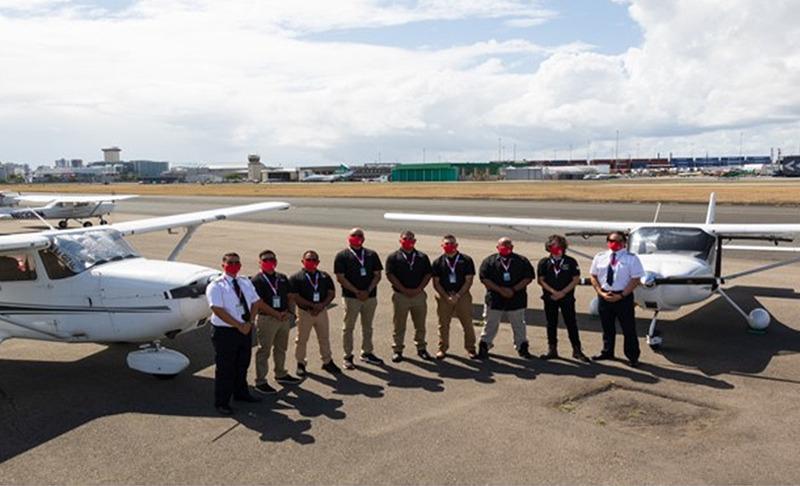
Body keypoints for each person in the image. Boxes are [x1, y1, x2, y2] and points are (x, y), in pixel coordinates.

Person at [206, 252, 262, 415]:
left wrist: (250, 323)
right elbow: (217, 309)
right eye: (230, 263)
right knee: (225, 368)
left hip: (245, 328)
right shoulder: (216, 285)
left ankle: (241, 393)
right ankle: (222, 402)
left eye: (237, 263)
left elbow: (256, 302)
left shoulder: (245, 282)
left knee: (242, 363)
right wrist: (238, 325)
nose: (234, 265)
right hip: (225, 332)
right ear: (223, 265)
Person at [589, 231, 644, 367]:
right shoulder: (600, 257)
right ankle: (607, 351)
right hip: (604, 296)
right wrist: (600, 292)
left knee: (628, 329)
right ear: (607, 242)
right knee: (607, 328)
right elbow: (593, 276)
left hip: (623, 297)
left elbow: (635, 279)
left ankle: (632, 357)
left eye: (619, 241)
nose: (615, 244)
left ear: (625, 243)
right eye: (611, 241)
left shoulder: (632, 258)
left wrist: (622, 295)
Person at [250, 250, 302, 394]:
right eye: (265, 260)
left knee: (281, 348)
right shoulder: (257, 280)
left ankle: (281, 373)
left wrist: (290, 312)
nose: (269, 262)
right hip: (267, 319)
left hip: (283, 318)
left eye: (272, 259)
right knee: (264, 350)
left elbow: (290, 295)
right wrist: (276, 314)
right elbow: (258, 303)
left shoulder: (282, 277)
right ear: (260, 263)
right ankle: (260, 381)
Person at [334, 228, 384, 369]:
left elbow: (377, 275)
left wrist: (367, 290)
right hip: (351, 297)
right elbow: (340, 278)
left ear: (364, 238)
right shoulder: (342, 256)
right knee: (348, 327)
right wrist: (357, 291)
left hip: (370, 297)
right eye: (354, 235)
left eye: (360, 235)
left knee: (367, 326)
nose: (357, 237)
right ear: (348, 238)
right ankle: (348, 356)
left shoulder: (371, 254)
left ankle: (367, 352)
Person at [477, 237, 535, 360]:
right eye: (503, 246)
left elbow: (528, 277)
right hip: (495, 299)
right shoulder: (489, 261)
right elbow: (484, 278)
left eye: (508, 246)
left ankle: (522, 347)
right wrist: (500, 290)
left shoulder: (521, 261)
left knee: (519, 324)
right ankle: (484, 345)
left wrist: (513, 289)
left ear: (512, 247)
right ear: (497, 247)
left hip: (516, 298)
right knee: (490, 324)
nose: (506, 248)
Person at [536, 235, 590, 362]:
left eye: (559, 246)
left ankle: (577, 350)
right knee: (551, 323)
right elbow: (541, 280)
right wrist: (553, 292)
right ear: (549, 247)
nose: (557, 248)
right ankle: (552, 349)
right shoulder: (544, 262)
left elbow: (575, 279)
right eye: (554, 246)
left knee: (571, 323)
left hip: (567, 298)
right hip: (550, 298)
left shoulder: (570, 261)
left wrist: (563, 292)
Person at [288, 250, 341, 376]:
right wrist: (312, 306)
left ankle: (327, 361)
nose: (311, 262)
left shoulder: (324, 276)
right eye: (308, 260)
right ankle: (301, 363)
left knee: (324, 337)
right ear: (303, 261)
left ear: (318, 262)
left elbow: (331, 293)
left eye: (314, 260)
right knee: (301, 339)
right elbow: (295, 296)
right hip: (305, 312)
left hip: (322, 311)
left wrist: (322, 305)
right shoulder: (296, 277)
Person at [385, 230, 433, 362]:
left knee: (420, 324)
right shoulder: (393, 257)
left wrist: (419, 288)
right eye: (405, 239)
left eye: (411, 239)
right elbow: (390, 275)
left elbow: (428, 274)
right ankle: (397, 350)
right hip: (401, 296)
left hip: (419, 295)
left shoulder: (422, 257)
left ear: (415, 241)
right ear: (400, 240)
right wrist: (403, 289)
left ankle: (421, 348)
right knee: (399, 324)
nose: (408, 241)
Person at [431, 234, 477, 360]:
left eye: (452, 244)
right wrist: (446, 297)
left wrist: (458, 295)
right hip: (444, 296)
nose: (449, 246)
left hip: (462, 296)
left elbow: (469, 280)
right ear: (442, 246)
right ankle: (442, 348)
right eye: (446, 244)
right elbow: (436, 283)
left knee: (467, 323)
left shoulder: (466, 260)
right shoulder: (437, 262)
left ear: (456, 245)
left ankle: (471, 348)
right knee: (443, 324)